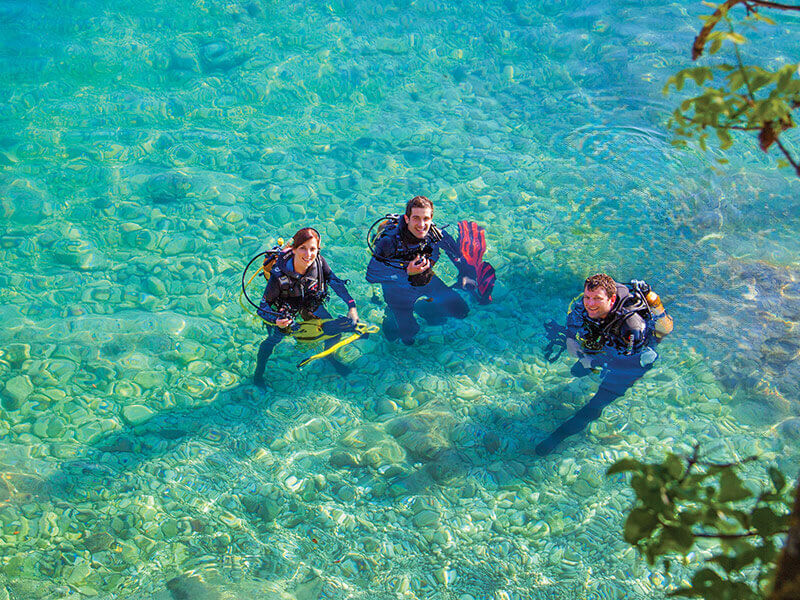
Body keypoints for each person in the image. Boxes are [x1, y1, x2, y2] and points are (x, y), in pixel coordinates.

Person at [536, 273, 672, 455]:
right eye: (588, 297)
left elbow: (623, 360)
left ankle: (557, 437)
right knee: (577, 371)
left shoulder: (632, 327)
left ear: (612, 298)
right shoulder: (582, 303)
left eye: (597, 299)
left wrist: (595, 360)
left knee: (596, 404)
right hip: (606, 341)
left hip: (633, 360)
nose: (590, 304)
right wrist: (572, 342)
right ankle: (591, 366)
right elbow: (573, 323)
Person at [253, 227, 358, 386]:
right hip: (283, 308)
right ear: (294, 249)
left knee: (333, 331)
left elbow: (335, 282)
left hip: (309, 301)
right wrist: (276, 320)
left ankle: (330, 357)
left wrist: (352, 306)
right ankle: (258, 374)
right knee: (273, 339)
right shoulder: (278, 274)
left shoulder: (320, 262)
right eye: (302, 248)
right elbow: (262, 306)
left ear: (318, 250)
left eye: (312, 249)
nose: (308, 255)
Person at [366, 196, 474, 345]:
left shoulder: (434, 234)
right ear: (407, 218)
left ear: (431, 218)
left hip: (425, 279)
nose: (421, 225)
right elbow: (371, 275)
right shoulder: (389, 242)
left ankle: (422, 307)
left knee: (461, 311)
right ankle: (391, 312)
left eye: (426, 218)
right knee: (406, 338)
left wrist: (465, 274)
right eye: (416, 218)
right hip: (397, 289)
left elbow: (456, 253)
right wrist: (406, 272)